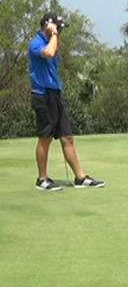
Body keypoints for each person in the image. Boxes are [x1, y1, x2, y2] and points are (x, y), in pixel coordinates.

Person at [28, 12, 105, 191]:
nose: (60, 31)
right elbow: (49, 53)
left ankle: (80, 177)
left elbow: (54, 52)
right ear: (48, 25)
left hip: (55, 94)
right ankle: (42, 179)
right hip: (42, 94)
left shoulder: (54, 41)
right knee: (45, 138)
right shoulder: (37, 43)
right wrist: (53, 34)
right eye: (58, 27)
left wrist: (55, 35)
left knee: (68, 137)